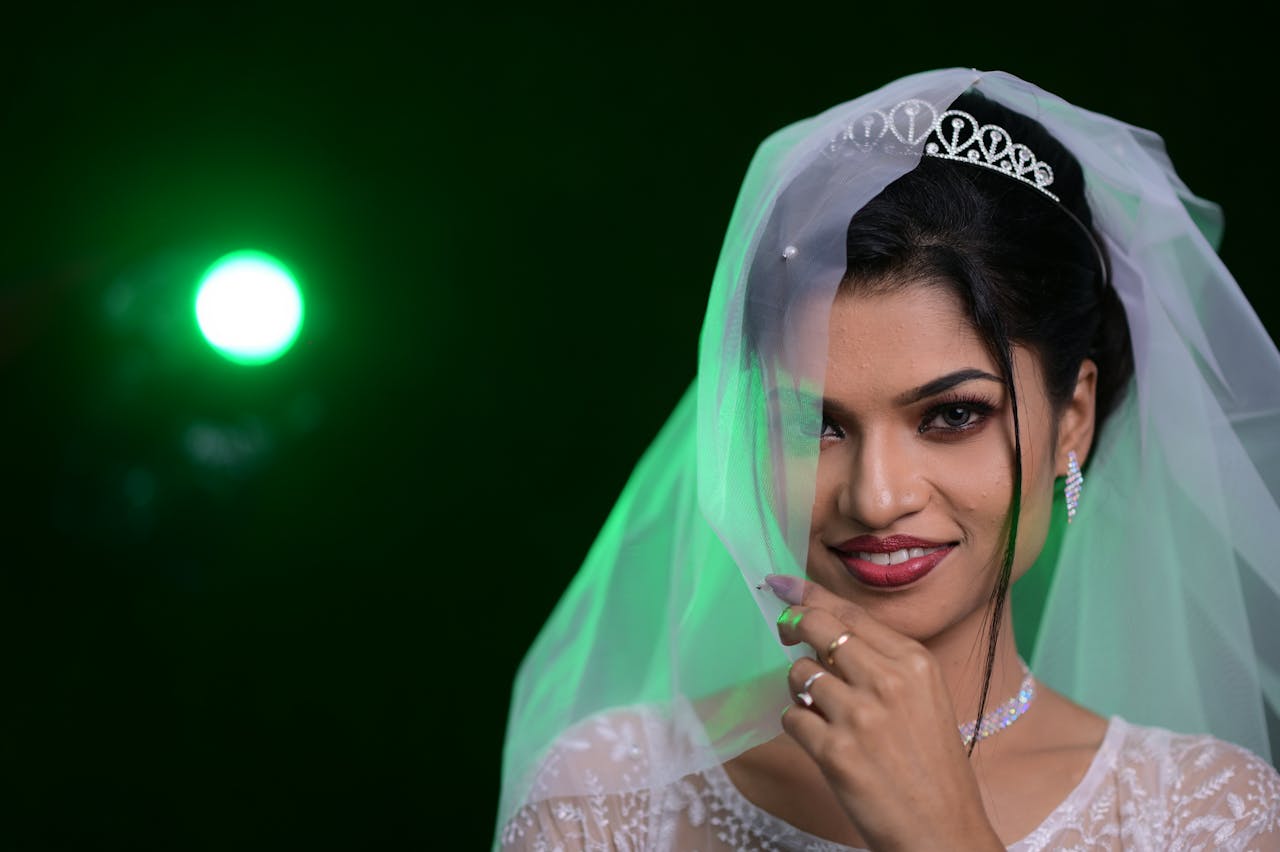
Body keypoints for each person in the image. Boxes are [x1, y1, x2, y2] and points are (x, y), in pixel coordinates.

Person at [495, 69, 1280, 850]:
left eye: (953, 416)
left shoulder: (1209, 817)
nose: (875, 498)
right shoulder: (609, 796)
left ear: (1072, 419)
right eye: (814, 425)